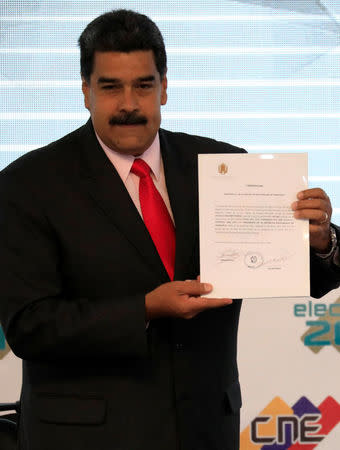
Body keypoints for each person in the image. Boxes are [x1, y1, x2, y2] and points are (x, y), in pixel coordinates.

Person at [0, 9, 339, 450]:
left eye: (143, 85)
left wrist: (319, 241)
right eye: (110, 87)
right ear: (86, 91)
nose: (128, 104)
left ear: (165, 87)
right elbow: (30, 325)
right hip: (85, 437)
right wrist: (144, 309)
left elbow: (305, 272)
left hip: (205, 430)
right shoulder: (29, 183)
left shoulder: (225, 167)